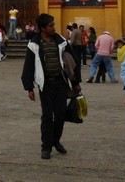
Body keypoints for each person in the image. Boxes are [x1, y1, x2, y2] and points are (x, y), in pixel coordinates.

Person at [21, 13, 81, 160]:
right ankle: (46, 146)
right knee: (47, 116)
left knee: (60, 115)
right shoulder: (34, 44)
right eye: (51, 25)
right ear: (42, 28)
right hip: (45, 84)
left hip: (60, 82)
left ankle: (56, 140)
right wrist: (29, 87)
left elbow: (72, 62)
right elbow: (28, 66)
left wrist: (75, 83)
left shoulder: (61, 41)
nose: (54, 27)